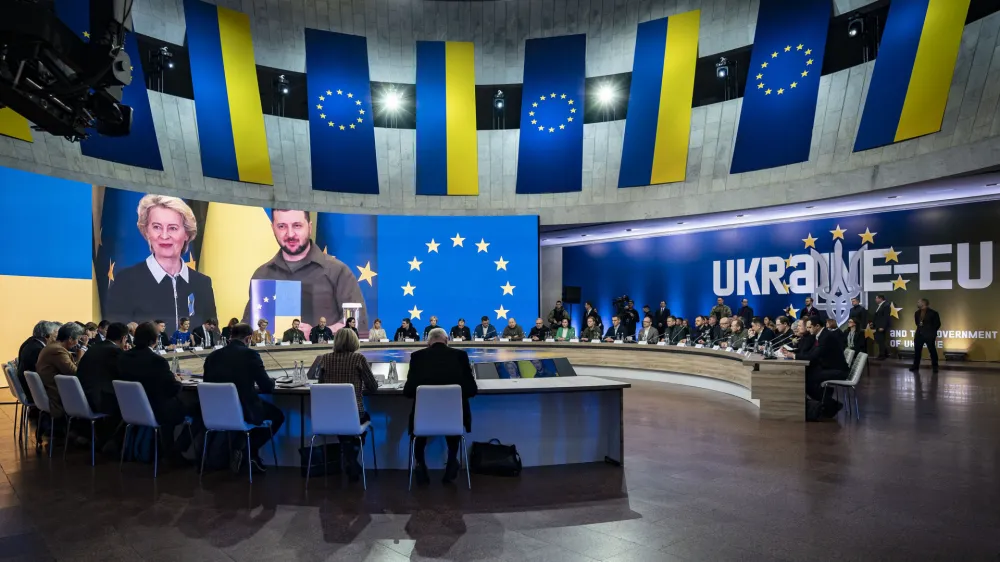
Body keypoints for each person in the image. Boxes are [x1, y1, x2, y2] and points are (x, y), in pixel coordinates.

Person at [105, 194, 217, 334]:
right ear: (146, 231)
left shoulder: (202, 283)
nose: (164, 236)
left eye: (173, 228)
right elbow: (116, 335)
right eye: (157, 227)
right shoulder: (125, 281)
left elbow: (212, 331)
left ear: (187, 233)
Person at [243, 209, 367, 333]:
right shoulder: (262, 275)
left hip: (325, 352)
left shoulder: (338, 272)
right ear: (273, 228)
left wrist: (319, 333)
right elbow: (247, 331)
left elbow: (358, 323)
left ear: (309, 227)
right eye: (282, 226)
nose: (290, 234)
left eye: (297, 226)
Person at [203, 322, 284, 473]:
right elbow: (266, 387)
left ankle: (243, 450)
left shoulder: (213, 356)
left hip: (216, 412)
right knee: (277, 416)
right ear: (248, 338)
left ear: (231, 336)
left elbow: (207, 383)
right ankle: (248, 449)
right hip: (245, 410)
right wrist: (272, 381)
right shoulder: (250, 355)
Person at [403, 328, 477, 485]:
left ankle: (420, 463)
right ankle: (451, 461)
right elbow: (472, 390)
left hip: (423, 420)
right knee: (453, 420)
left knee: (419, 428)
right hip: (454, 420)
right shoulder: (460, 356)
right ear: (447, 340)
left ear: (428, 342)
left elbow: (408, 392)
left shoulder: (417, 357)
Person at [118, 322, 197, 455]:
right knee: (199, 407)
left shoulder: (122, 358)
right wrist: (177, 381)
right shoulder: (157, 361)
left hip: (130, 409)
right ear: (154, 340)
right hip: (157, 409)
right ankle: (177, 450)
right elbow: (172, 389)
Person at [315, 327, 379, 481]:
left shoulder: (325, 359)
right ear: (354, 341)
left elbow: (321, 384)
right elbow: (373, 386)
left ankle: (349, 460)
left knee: (342, 425)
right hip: (354, 414)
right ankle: (351, 459)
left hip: (329, 415)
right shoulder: (358, 359)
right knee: (360, 421)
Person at [75, 322, 128, 416]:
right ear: (124, 338)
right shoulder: (115, 352)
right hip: (99, 402)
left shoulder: (94, 347)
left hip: (81, 398)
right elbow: (124, 375)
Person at [35, 322, 85, 421]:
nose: (77, 343)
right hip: (57, 396)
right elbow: (75, 373)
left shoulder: (52, 347)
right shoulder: (57, 350)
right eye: (77, 339)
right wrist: (81, 356)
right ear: (70, 339)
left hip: (51, 391)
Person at [17, 320, 60, 402]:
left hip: (29, 388)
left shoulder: (30, 343)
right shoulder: (37, 349)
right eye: (55, 335)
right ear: (47, 336)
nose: (56, 339)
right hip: (34, 392)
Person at [911, 298, 942, 373]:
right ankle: (915, 366)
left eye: (918, 302)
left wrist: (931, 332)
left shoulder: (933, 313)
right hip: (919, 335)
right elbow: (917, 323)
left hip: (929, 335)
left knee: (932, 351)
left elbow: (937, 324)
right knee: (917, 351)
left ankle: (935, 367)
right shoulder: (917, 313)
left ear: (923, 303)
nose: (917, 303)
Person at [871, 294, 891, 360]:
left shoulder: (886, 305)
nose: (875, 300)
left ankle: (882, 356)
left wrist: (882, 326)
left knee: (881, 341)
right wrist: (873, 324)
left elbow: (885, 317)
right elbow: (878, 317)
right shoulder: (880, 305)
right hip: (877, 326)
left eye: (876, 298)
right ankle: (885, 354)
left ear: (880, 299)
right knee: (880, 340)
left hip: (881, 327)